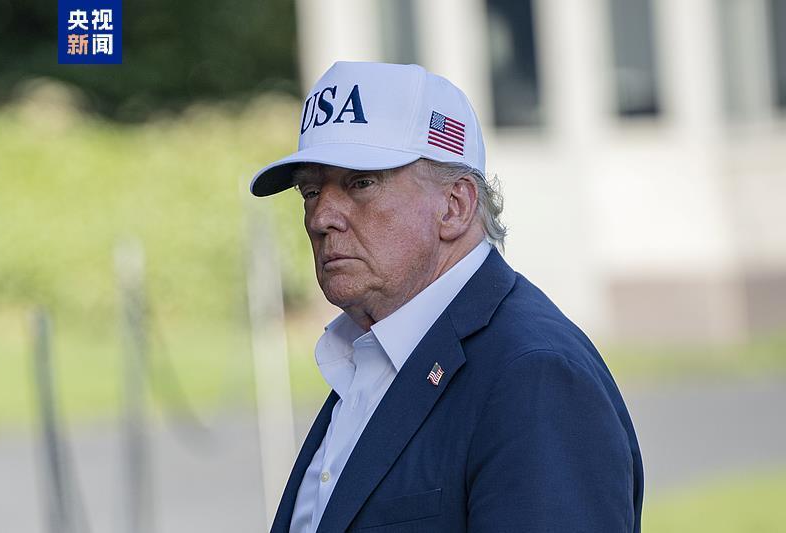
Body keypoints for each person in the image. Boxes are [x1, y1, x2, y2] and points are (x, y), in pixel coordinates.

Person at [250, 61, 643, 533]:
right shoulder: (375, 353)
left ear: (455, 206)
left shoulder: (533, 374)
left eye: (361, 183)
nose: (321, 217)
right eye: (311, 190)